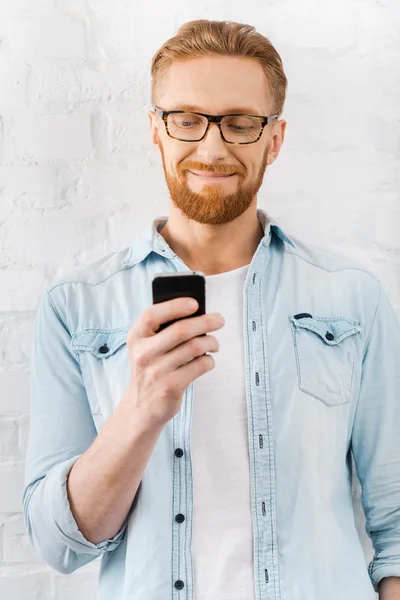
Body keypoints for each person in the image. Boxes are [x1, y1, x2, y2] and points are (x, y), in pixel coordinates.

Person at [23, 19, 400, 600]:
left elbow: (395, 520)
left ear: (274, 138)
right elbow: (61, 544)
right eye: (187, 119)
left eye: (241, 123)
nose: (213, 147)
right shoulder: (76, 306)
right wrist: (143, 409)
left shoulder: (352, 297)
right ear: (156, 131)